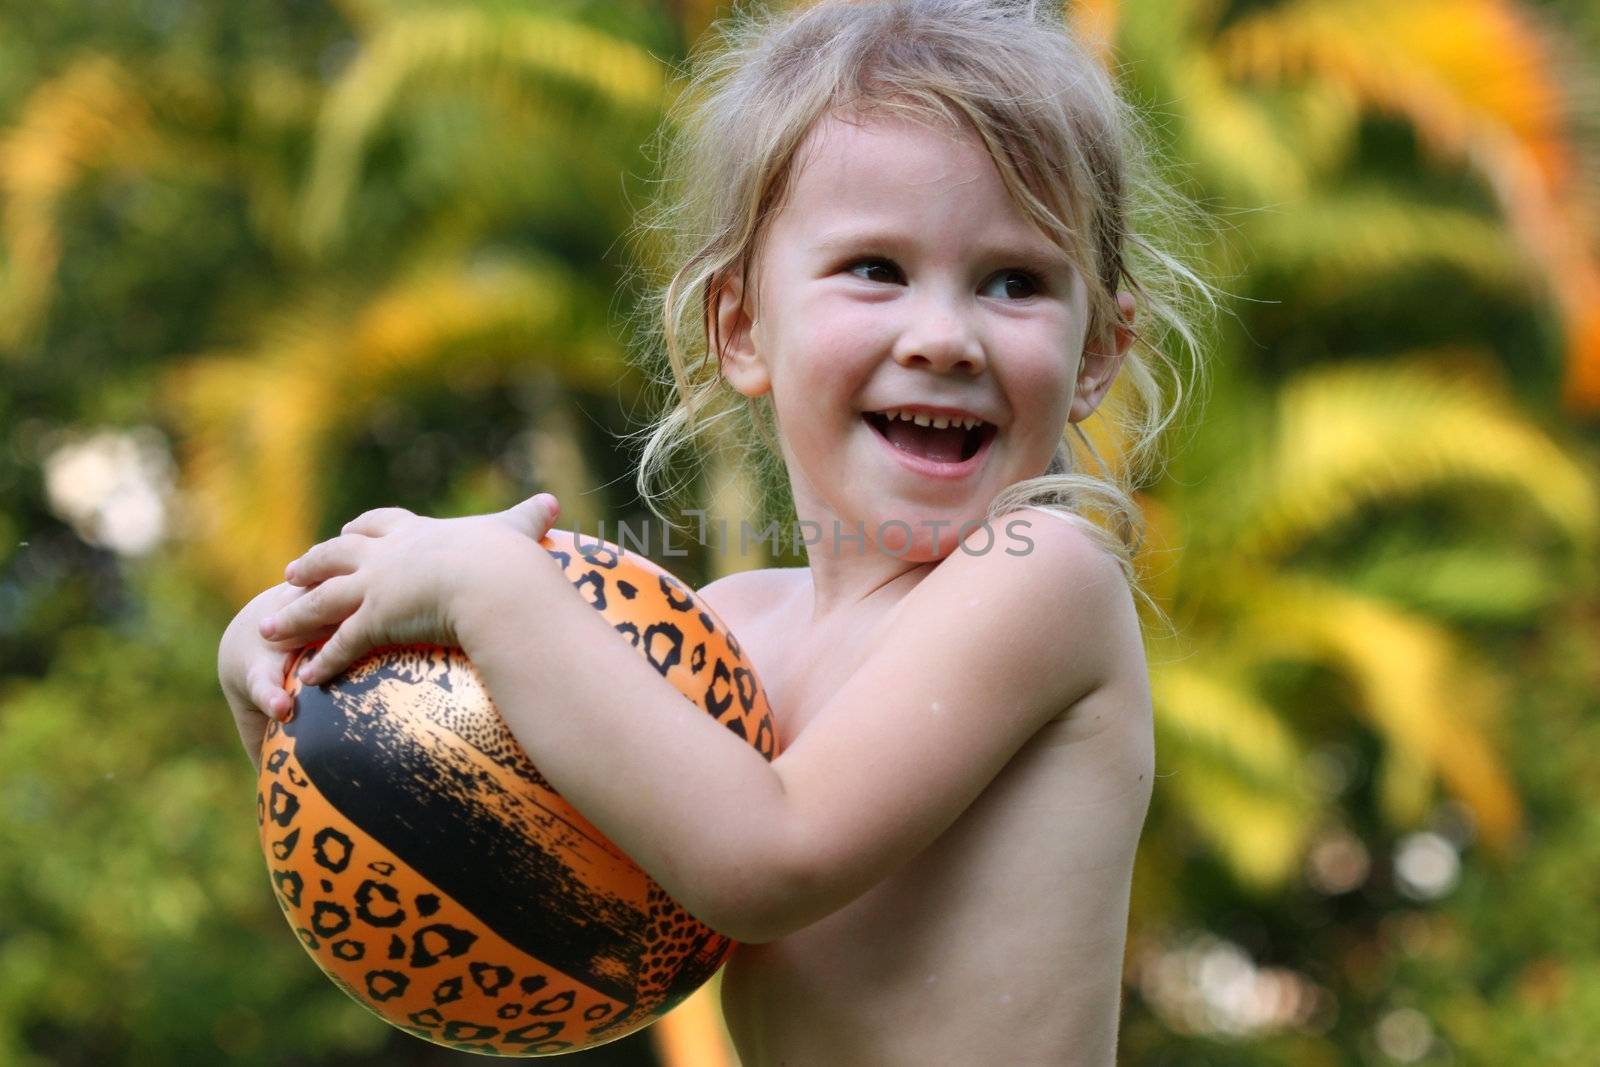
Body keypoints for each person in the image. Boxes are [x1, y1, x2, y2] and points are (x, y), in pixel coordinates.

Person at [217, 1, 1215, 1062]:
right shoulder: (719, 636)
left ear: (1097, 352)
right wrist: (301, 671)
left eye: (1015, 281)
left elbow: (767, 857)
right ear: (741, 327)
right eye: (875, 267)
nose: (943, 336)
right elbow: (423, 816)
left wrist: (491, 590)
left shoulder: (1043, 577)